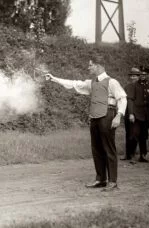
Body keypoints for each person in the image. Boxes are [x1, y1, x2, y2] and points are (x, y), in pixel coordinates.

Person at [44, 57, 127, 191]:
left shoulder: (112, 82)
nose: (88, 68)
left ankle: (113, 182)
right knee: (96, 149)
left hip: (108, 115)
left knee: (109, 149)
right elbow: (74, 83)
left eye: (90, 65)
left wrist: (119, 115)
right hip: (94, 117)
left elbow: (122, 99)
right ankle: (100, 179)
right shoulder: (91, 82)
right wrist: (54, 78)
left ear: (98, 66)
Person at [125, 66, 149, 163]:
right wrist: (131, 114)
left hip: (146, 116)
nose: (142, 76)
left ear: (148, 75)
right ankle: (132, 156)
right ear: (139, 75)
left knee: (144, 135)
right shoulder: (134, 85)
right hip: (136, 114)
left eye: (145, 74)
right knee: (134, 134)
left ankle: (143, 155)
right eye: (141, 74)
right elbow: (130, 100)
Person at [121, 67, 142, 161]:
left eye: (135, 76)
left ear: (139, 77)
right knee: (129, 134)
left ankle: (132, 154)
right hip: (130, 114)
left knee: (135, 134)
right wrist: (131, 114)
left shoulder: (141, 87)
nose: (133, 78)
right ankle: (128, 155)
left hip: (139, 115)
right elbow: (128, 101)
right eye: (132, 76)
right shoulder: (128, 86)